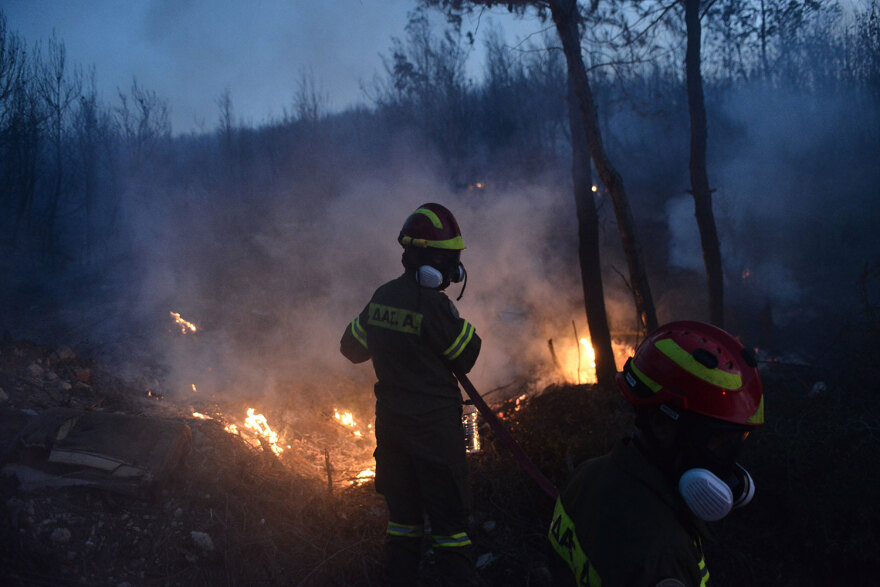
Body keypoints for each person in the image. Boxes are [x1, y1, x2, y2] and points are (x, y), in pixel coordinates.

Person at [549, 321, 765, 586]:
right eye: (719, 439)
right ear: (662, 424)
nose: (728, 457)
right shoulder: (664, 555)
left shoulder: (586, 475)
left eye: (738, 439)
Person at [340, 203, 482, 586]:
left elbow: (351, 348)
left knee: (403, 525)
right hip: (435, 439)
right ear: (424, 260)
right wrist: (445, 314)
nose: (453, 270)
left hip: (392, 437)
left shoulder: (382, 296)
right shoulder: (434, 306)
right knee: (451, 530)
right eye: (447, 259)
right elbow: (467, 355)